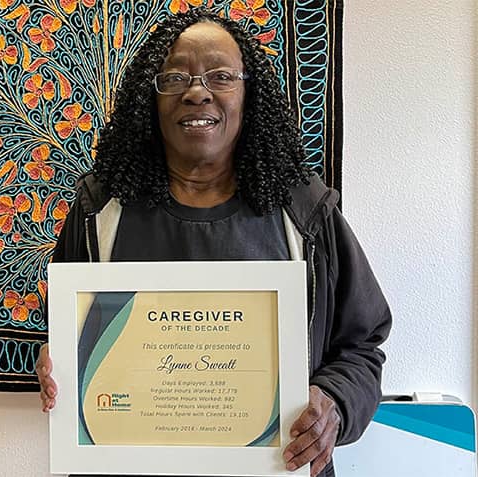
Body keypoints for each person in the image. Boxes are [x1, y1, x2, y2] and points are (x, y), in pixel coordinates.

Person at [36, 8, 391, 477]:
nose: (197, 91)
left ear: (249, 95)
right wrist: (55, 358)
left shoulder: (303, 210)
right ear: (152, 100)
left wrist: (336, 403)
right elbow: (67, 336)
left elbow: (362, 343)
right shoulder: (100, 211)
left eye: (221, 76)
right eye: (176, 77)